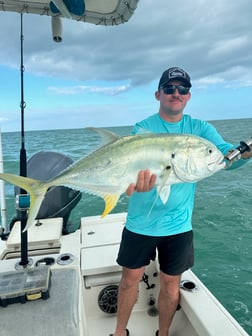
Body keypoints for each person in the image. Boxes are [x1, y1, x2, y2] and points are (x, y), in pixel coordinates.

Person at [110, 67, 252, 336]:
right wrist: (133, 186)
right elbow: (129, 171)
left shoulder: (200, 129)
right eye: (170, 88)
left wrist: (245, 155)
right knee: (129, 280)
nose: (176, 93)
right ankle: (119, 332)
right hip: (141, 223)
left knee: (171, 284)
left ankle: (162, 333)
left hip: (178, 225)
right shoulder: (144, 128)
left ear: (188, 96)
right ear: (158, 94)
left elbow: (223, 159)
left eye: (183, 89)